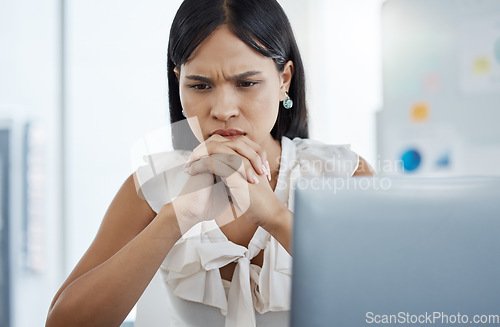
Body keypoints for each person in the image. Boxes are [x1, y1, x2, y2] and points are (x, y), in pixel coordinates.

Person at [45, 0, 374, 326]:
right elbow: (62, 322)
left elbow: (387, 302)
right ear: (179, 83)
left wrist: (276, 218)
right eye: (200, 86)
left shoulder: (342, 175)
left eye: (246, 83)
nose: (223, 109)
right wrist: (175, 218)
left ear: (284, 80)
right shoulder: (152, 186)